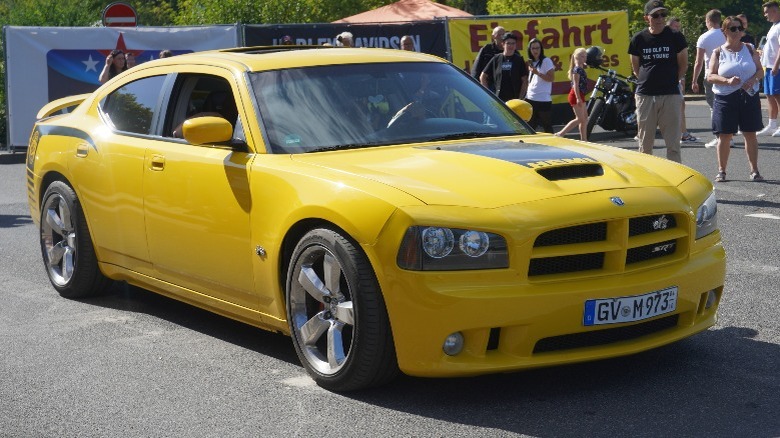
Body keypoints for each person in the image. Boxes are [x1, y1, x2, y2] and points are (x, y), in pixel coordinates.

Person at [629, 0, 688, 163]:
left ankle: (676, 181)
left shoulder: (675, 36)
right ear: (646, 18)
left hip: (670, 94)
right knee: (645, 146)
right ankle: (647, 181)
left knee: (673, 144)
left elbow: (683, 64)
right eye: (655, 15)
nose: (660, 18)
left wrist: (672, 80)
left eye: (663, 14)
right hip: (645, 96)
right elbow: (636, 67)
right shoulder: (638, 38)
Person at [707, 16, 764, 182]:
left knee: (750, 133)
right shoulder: (718, 52)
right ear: (725, 31)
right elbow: (710, 76)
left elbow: (760, 70)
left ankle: (754, 170)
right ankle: (722, 171)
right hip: (725, 97)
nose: (738, 31)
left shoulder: (750, 48)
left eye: (740, 28)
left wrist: (753, 80)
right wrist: (727, 81)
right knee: (724, 135)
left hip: (748, 96)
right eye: (733, 28)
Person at [691, 10, 726, 148]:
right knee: (726, 106)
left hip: (711, 76)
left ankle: (719, 137)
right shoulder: (727, 34)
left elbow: (698, 62)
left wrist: (694, 80)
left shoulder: (704, 37)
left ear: (708, 21)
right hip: (726, 74)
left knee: (714, 108)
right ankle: (728, 137)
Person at [668, 17, 698, 142]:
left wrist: (682, 78)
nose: (678, 29)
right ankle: (682, 134)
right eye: (675, 27)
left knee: (680, 104)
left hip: (677, 76)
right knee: (677, 106)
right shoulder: (666, 39)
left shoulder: (678, 39)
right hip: (668, 78)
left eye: (679, 27)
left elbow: (683, 63)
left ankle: (682, 133)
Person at [479, 33, 528, 102]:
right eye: (508, 43)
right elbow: (483, 76)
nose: (511, 46)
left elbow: (525, 80)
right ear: (503, 44)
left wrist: (520, 98)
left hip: (514, 99)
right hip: (498, 99)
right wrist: (488, 94)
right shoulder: (496, 58)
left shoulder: (519, 60)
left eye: (513, 43)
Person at [554, 48, 589, 140]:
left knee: (585, 118)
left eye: (585, 56)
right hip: (576, 95)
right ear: (576, 57)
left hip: (581, 94)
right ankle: (561, 133)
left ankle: (584, 139)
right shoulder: (577, 70)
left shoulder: (580, 68)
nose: (584, 58)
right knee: (580, 118)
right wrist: (578, 98)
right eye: (582, 56)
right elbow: (575, 85)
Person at [758, 1, 780, 136]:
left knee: (778, 96)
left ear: (775, 10)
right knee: (769, 95)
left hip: (776, 67)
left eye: (767, 12)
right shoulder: (773, 26)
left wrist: (776, 66)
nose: (765, 15)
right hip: (768, 66)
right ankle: (772, 125)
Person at [524, 38, 555, 133]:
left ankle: (553, 145)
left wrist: (538, 73)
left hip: (543, 99)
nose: (535, 51)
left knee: (547, 126)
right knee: (530, 126)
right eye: (533, 48)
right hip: (530, 97)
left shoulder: (546, 61)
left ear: (541, 49)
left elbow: (551, 78)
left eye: (537, 48)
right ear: (530, 50)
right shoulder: (531, 62)